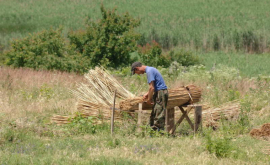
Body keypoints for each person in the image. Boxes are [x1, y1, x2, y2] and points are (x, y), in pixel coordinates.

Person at [131, 62, 168, 130]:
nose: (138, 74)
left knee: (159, 113)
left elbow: (152, 88)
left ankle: (159, 133)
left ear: (137, 68)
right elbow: (155, 86)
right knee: (155, 112)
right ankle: (153, 131)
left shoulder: (149, 71)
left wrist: (148, 99)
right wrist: (147, 94)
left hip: (161, 93)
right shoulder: (150, 69)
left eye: (136, 72)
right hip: (159, 92)